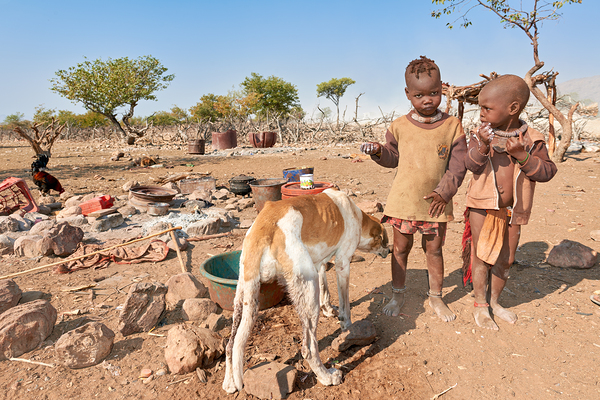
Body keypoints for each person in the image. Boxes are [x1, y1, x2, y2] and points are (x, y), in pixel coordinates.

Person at [360, 56, 467, 322]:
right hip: (404, 202)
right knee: (400, 249)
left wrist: (444, 192)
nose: (427, 99)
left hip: (436, 203)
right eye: (419, 95)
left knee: (434, 250)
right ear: (408, 94)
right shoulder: (399, 126)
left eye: (433, 93)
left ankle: (436, 297)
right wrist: (378, 152)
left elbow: (458, 165)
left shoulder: (453, 126)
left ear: (442, 88)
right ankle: (398, 295)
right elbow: (392, 158)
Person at [465, 74, 557, 330]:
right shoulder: (480, 135)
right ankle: (480, 305)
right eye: (481, 107)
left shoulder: (533, 139)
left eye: (487, 108)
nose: (481, 113)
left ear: (513, 108)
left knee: (505, 258)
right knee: (482, 255)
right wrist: (483, 146)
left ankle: (495, 301)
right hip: (482, 205)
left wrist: (523, 156)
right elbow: (470, 165)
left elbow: (547, 172)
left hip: (514, 210)